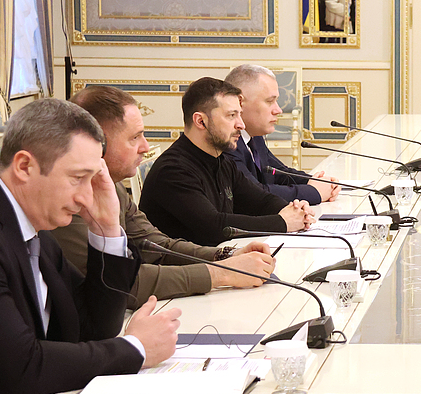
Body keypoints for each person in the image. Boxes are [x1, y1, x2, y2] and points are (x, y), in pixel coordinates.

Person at [0, 99, 181, 394]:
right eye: (77, 178)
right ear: (24, 166)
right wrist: (135, 349)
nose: (86, 198)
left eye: (92, 179)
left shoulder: (34, 229)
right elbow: (19, 368)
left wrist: (107, 230)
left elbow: (93, 329)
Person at [55, 86, 278, 308]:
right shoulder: (68, 201)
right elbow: (123, 284)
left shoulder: (113, 187)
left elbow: (155, 246)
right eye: (135, 137)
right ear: (97, 145)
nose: (145, 147)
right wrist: (223, 273)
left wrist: (226, 255)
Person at [139, 78, 315, 246]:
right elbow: (214, 227)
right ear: (201, 121)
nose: (241, 125)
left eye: (240, 115)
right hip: (185, 265)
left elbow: (260, 200)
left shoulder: (222, 160)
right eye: (231, 115)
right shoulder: (173, 170)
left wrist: (294, 210)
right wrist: (282, 223)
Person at [223, 65, 339, 205]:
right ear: (240, 102)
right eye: (269, 101)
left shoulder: (254, 134)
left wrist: (315, 181)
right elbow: (255, 194)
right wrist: (314, 192)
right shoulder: (226, 142)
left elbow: (277, 173)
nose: (278, 110)